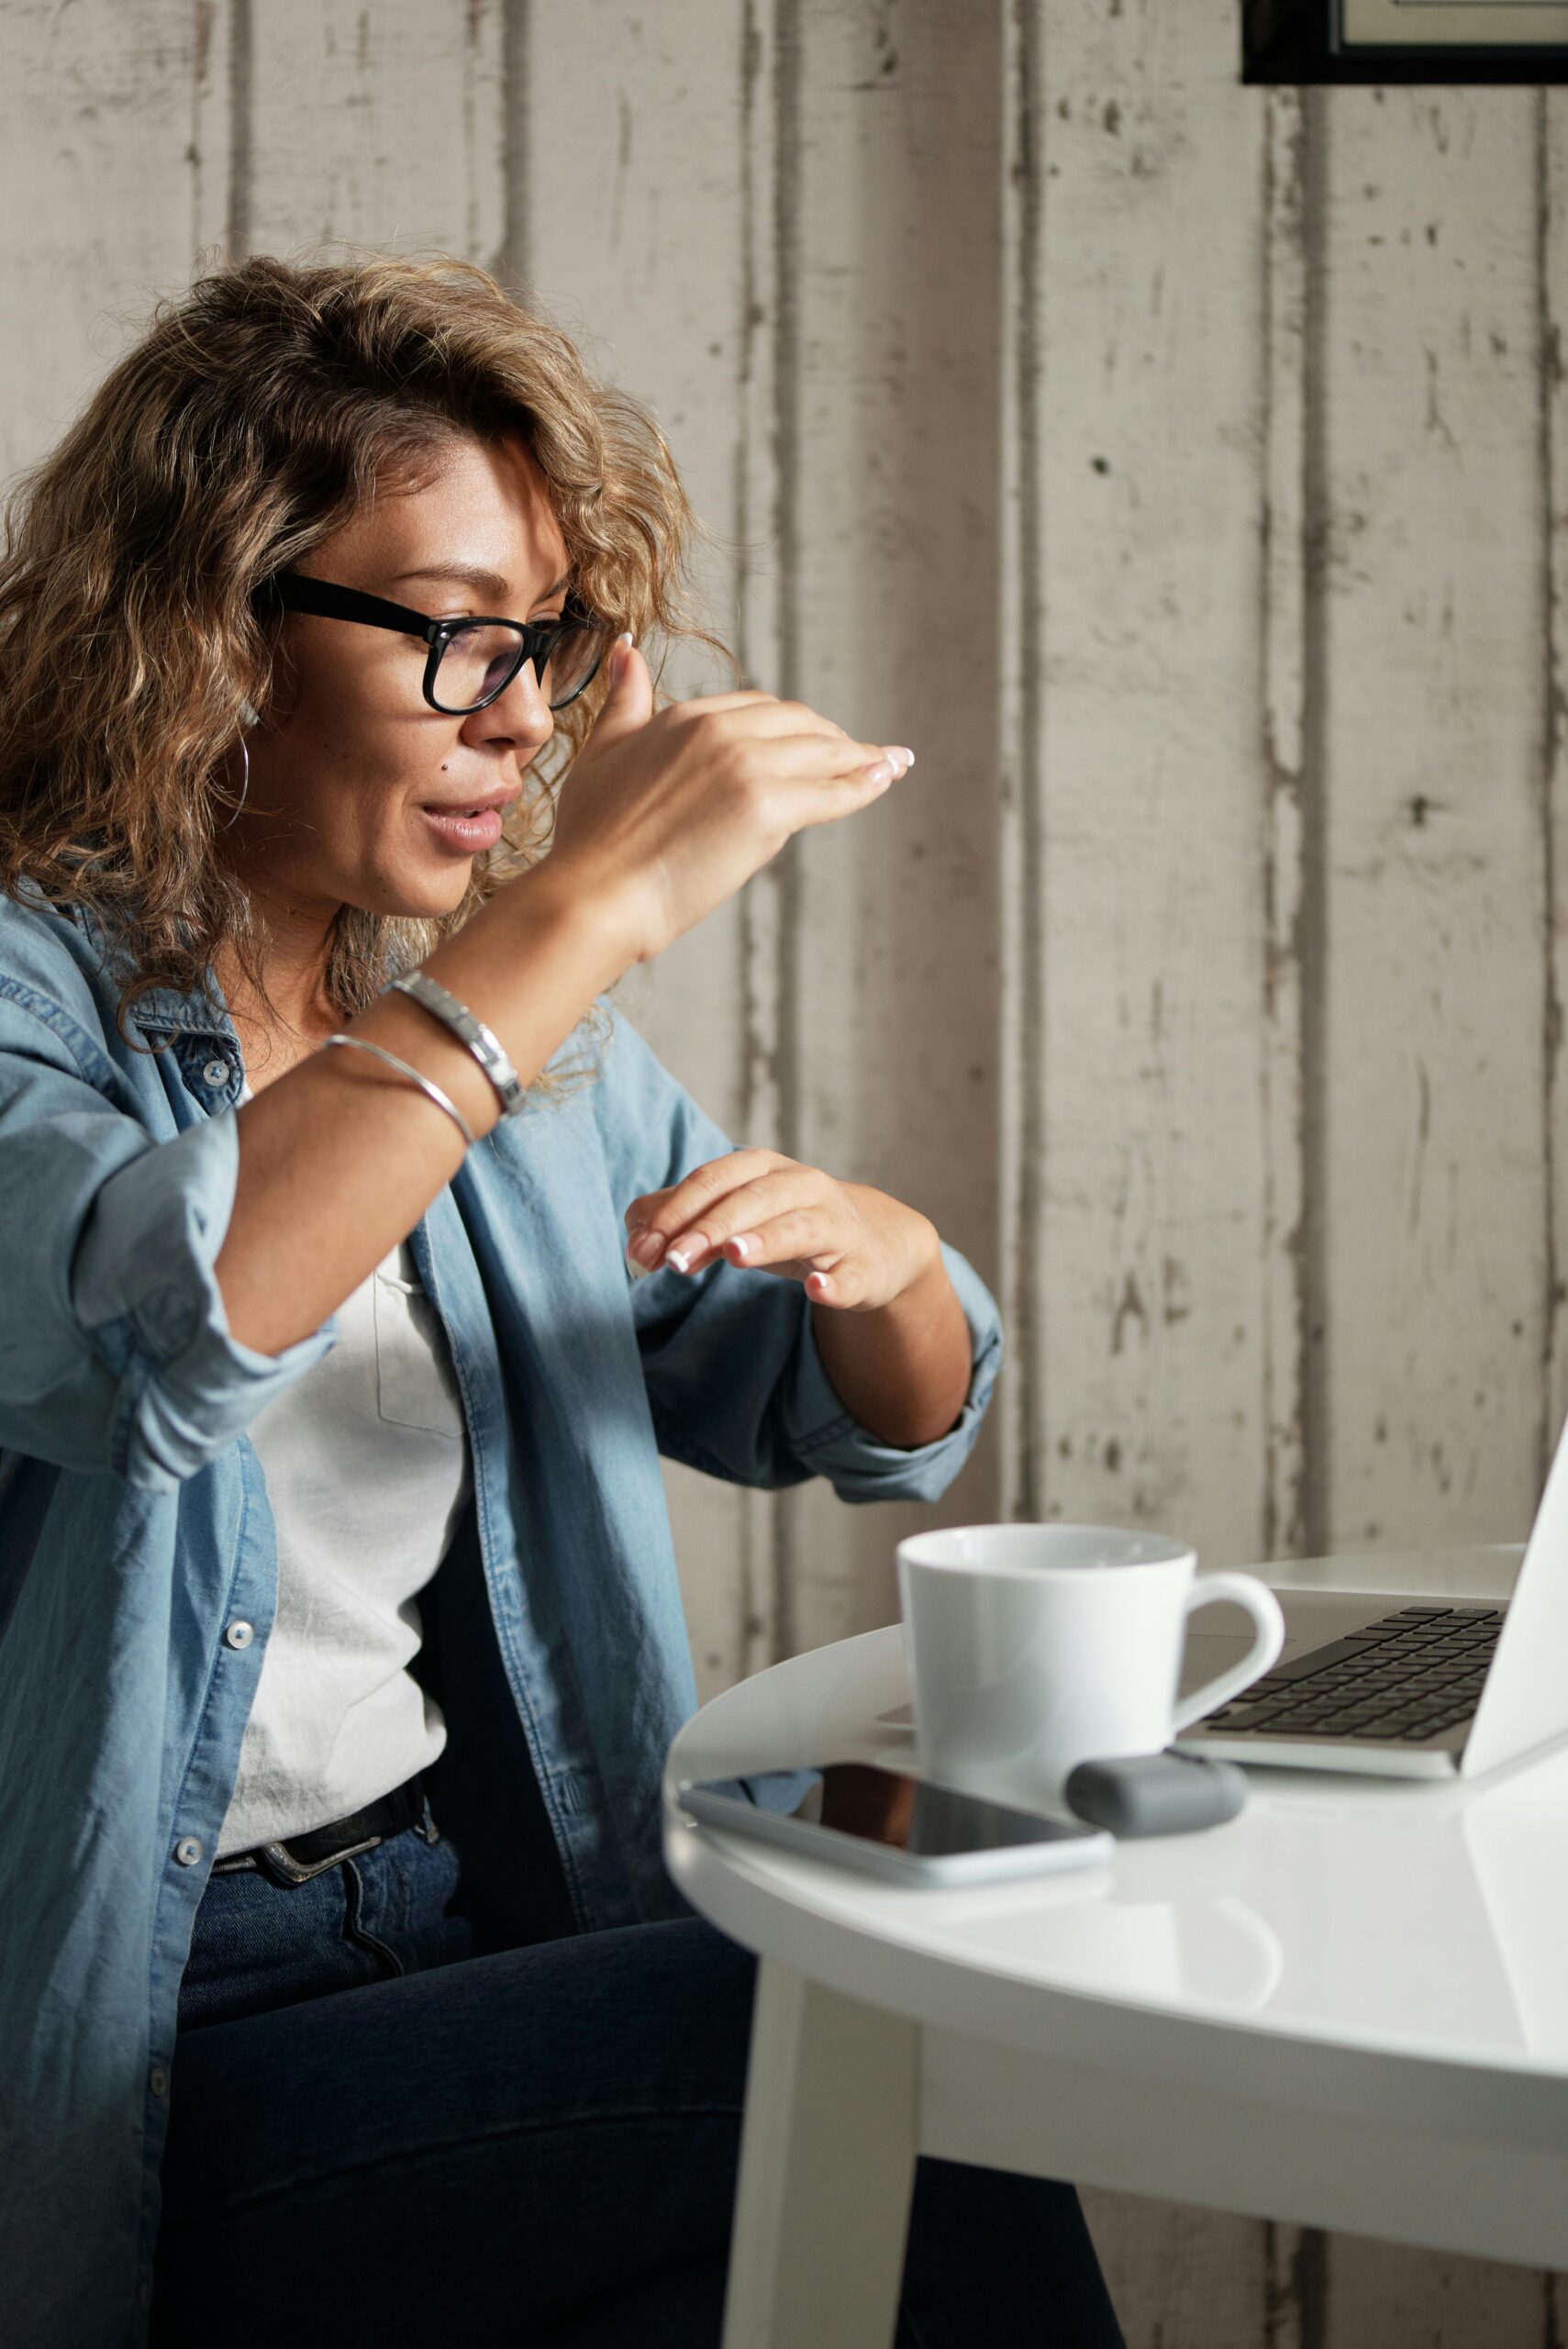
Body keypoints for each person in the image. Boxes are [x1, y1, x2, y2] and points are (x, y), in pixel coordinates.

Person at [0, 252, 1123, 2349]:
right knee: (861, 2027)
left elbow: (871, 1415)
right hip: (121, 2028)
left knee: (807, 2246)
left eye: (543, 641)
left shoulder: (465, 1037)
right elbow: (173, 1333)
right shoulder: (36, 1006)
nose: (518, 716)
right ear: (209, 634)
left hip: (443, 1930)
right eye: (447, 637)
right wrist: (583, 905)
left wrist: (880, 1262)